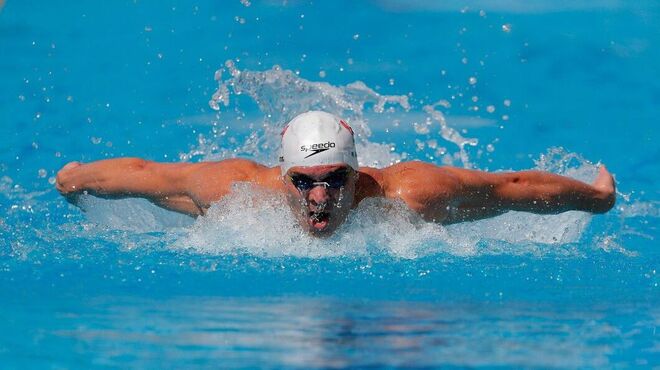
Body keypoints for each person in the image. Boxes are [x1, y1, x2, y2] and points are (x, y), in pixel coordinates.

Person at [56, 111, 616, 236]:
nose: (318, 196)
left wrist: (595, 199)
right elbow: (146, 173)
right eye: (302, 181)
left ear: (357, 173)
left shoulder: (409, 193)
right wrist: (75, 178)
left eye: (334, 180)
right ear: (283, 175)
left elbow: (512, 188)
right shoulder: (236, 192)